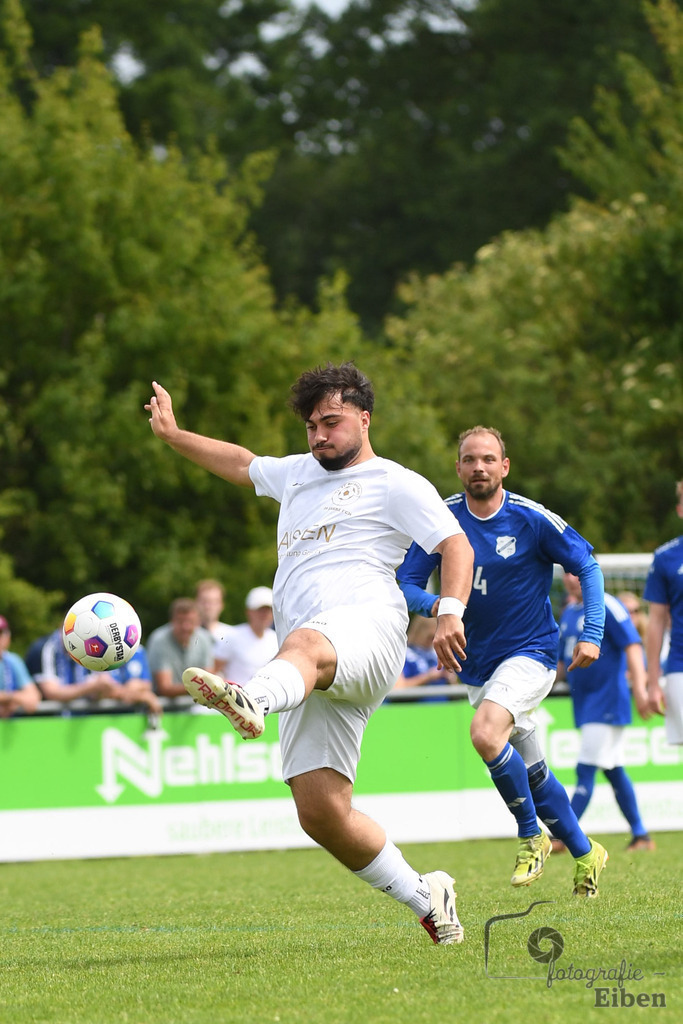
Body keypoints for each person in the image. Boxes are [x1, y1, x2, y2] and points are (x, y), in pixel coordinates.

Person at [146, 363, 474, 945]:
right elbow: (241, 462)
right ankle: (427, 896)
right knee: (321, 813)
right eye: (310, 426)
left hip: (365, 631)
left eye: (332, 422)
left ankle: (253, 699)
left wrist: (450, 609)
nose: (320, 436)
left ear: (364, 418)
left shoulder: (395, 482)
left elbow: (455, 544)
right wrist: (174, 437)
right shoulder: (296, 474)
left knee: (303, 643)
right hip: (307, 667)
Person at [397, 425, 609, 898]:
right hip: (477, 666)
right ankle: (586, 853)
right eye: (470, 459)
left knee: (484, 734)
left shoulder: (530, 519)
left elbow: (588, 566)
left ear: (504, 466)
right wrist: (440, 607)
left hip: (531, 653)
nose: (479, 467)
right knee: (533, 774)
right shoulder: (442, 521)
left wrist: (592, 633)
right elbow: (405, 583)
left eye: (489, 459)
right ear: (458, 468)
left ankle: (531, 835)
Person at [557, 574, 655, 852]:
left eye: (575, 570)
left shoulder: (607, 604)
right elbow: (563, 664)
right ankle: (641, 835)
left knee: (585, 768)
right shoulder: (570, 614)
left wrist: (640, 688)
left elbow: (633, 645)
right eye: (565, 571)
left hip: (608, 700)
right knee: (613, 769)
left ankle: (563, 836)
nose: (569, 577)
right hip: (585, 703)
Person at [35, 622, 162, 716]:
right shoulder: (47, 647)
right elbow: (52, 692)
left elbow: (105, 689)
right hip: (54, 725)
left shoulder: (96, 647)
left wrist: (132, 693)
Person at [643, 478, 683, 745]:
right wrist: (653, 682)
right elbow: (655, 622)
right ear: (680, 509)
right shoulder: (666, 557)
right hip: (680, 666)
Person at [146, 597, 214, 699]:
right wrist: (200, 687)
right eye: (180, 621)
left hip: (198, 706)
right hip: (165, 707)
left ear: (198, 622)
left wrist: (204, 687)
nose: (185, 626)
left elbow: (209, 679)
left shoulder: (204, 638)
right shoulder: (159, 640)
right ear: (172, 620)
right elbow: (164, 688)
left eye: (190, 621)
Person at [213, 586, 279, 684]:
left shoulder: (276, 639)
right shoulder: (232, 636)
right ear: (249, 612)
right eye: (260, 610)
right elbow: (215, 670)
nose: (265, 615)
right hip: (236, 696)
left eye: (269, 610)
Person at [389, 615, 456, 701]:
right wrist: (428, 677)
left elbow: (454, 690)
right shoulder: (402, 654)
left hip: (443, 709)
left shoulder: (437, 655)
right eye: (431, 637)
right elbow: (397, 689)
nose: (434, 642)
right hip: (412, 711)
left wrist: (449, 678)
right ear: (420, 632)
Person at [0, 615, 41, 717]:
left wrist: (10, 699)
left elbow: (33, 698)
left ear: (7, 636)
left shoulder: (13, 661)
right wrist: (13, 699)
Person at [195, 578, 234, 646]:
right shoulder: (184, 633)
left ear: (221, 605)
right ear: (196, 602)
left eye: (213, 602)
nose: (208, 606)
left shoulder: (232, 635)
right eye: (204, 601)